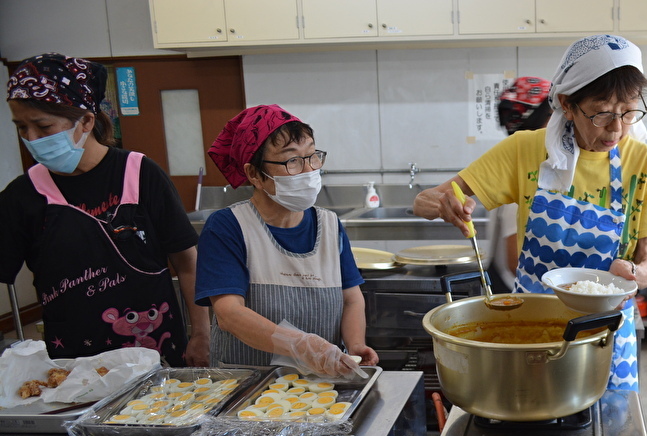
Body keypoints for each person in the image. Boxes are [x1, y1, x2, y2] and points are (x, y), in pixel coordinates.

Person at [414, 34, 647, 391]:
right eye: (601, 112)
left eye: (629, 111)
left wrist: (631, 271)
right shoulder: (525, 150)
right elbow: (427, 200)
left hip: (603, 333)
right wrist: (439, 204)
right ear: (566, 104)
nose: (616, 128)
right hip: (530, 328)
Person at [0, 53, 210, 367]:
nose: (31, 139)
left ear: (85, 120)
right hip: (73, 360)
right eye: (21, 127)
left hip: (155, 349)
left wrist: (201, 333)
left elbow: (187, 262)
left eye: (42, 127)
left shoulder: (140, 175)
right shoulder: (23, 195)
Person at [195, 105, 376, 377]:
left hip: (321, 384)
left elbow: (351, 299)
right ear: (255, 174)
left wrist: (355, 343)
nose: (307, 170)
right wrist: (301, 345)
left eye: (312, 157)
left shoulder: (329, 225)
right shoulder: (228, 227)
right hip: (246, 384)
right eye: (292, 161)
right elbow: (229, 314)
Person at [489, 76, 553, 292]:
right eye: (555, 116)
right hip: (522, 297)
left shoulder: (541, 169)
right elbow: (516, 262)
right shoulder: (524, 180)